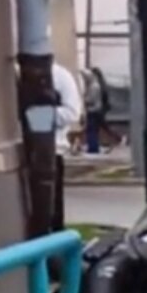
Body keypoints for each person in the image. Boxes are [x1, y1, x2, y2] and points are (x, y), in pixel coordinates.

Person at [52, 62, 83, 232]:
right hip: (23, 154)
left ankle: (55, 253)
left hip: (54, 151)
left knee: (53, 209)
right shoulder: (16, 74)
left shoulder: (60, 75)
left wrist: (45, 115)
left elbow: (73, 112)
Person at [81, 66, 116, 154]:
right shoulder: (98, 85)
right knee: (98, 128)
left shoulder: (94, 86)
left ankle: (93, 147)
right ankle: (95, 146)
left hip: (93, 110)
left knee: (92, 130)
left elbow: (90, 99)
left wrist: (85, 98)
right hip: (98, 110)